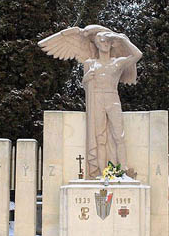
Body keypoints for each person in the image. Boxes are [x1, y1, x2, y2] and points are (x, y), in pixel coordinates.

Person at [38, 25, 142, 178]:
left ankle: (122, 170)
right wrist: (86, 78)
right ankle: (101, 172)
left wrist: (121, 38)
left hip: (112, 98)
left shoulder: (117, 62)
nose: (105, 43)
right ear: (96, 44)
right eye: (101, 41)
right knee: (99, 138)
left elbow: (137, 54)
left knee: (118, 136)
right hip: (97, 100)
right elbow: (85, 83)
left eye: (107, 41)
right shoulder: (90, 64)